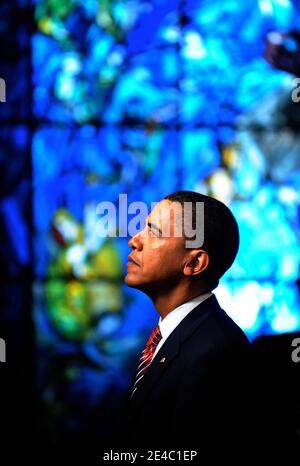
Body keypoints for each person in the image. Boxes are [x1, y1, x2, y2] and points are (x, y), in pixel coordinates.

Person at [117, 191, 255, 460]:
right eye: (142, 228)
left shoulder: (214, 352)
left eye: (154, 232)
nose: (134, 241)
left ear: (194, 262)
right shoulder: (171, 336)